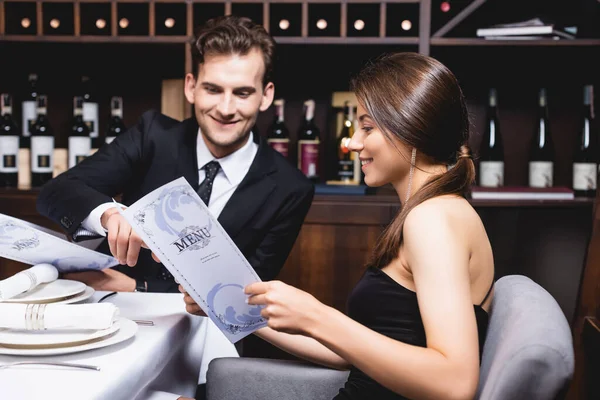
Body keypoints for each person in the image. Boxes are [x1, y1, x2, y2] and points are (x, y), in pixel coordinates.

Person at [182, 52, 495, 400]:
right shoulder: (435, 211)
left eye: (367, 127)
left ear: (409, 125)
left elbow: (455, 382)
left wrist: (316, 315)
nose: (354, 143)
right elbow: (356, 353)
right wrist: (238, 310)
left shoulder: (433, 218)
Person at [36, 15, 314, 294]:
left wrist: (138, 287)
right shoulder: (152, 136)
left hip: (211, 333)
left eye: (242, 93)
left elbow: (247, 292)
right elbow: (57, 191)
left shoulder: (291, 188)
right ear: (191, 87)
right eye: (213, 89)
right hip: (123, 321)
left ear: (265, 96)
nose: (226, 108)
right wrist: (108, 214)